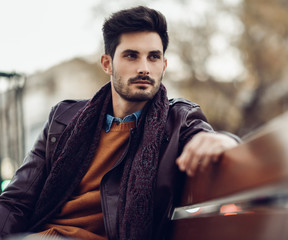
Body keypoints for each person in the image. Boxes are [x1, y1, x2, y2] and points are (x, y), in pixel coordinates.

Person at [0, 6, 239, 240]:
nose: (144, 68)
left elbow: (204, 137)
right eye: (131, 55)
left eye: (153, 57)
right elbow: (16, 200)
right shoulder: (63, 118)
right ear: (107, 64)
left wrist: (221, 139)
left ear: (163, 66)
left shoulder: (179, 121)